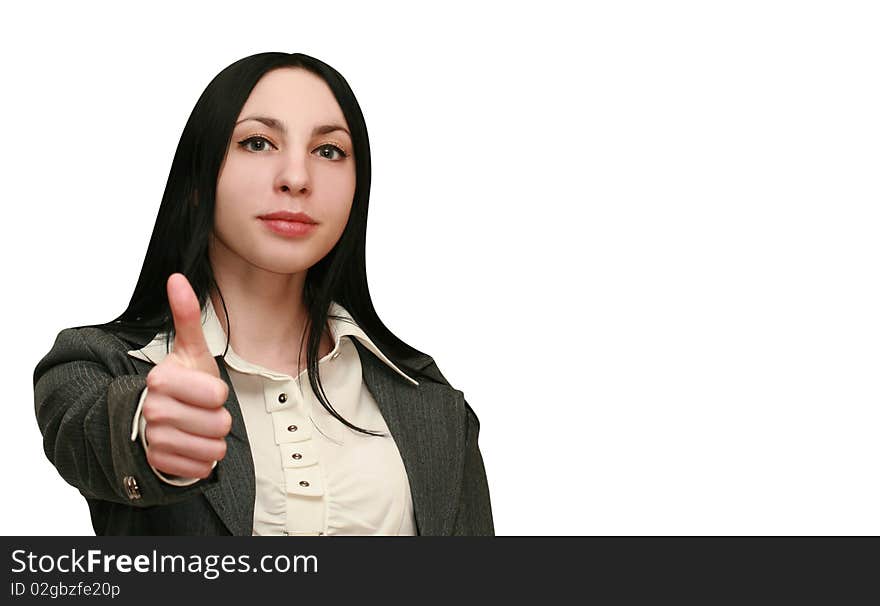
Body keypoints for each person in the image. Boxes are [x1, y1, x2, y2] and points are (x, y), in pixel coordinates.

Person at [32, 52, 494, 536]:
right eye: (258, 142)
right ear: (197, 179)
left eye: (330, 151)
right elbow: (88, 433)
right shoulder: (101, 365)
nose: (297, 178)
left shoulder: (432, 402)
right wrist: (149, 428)